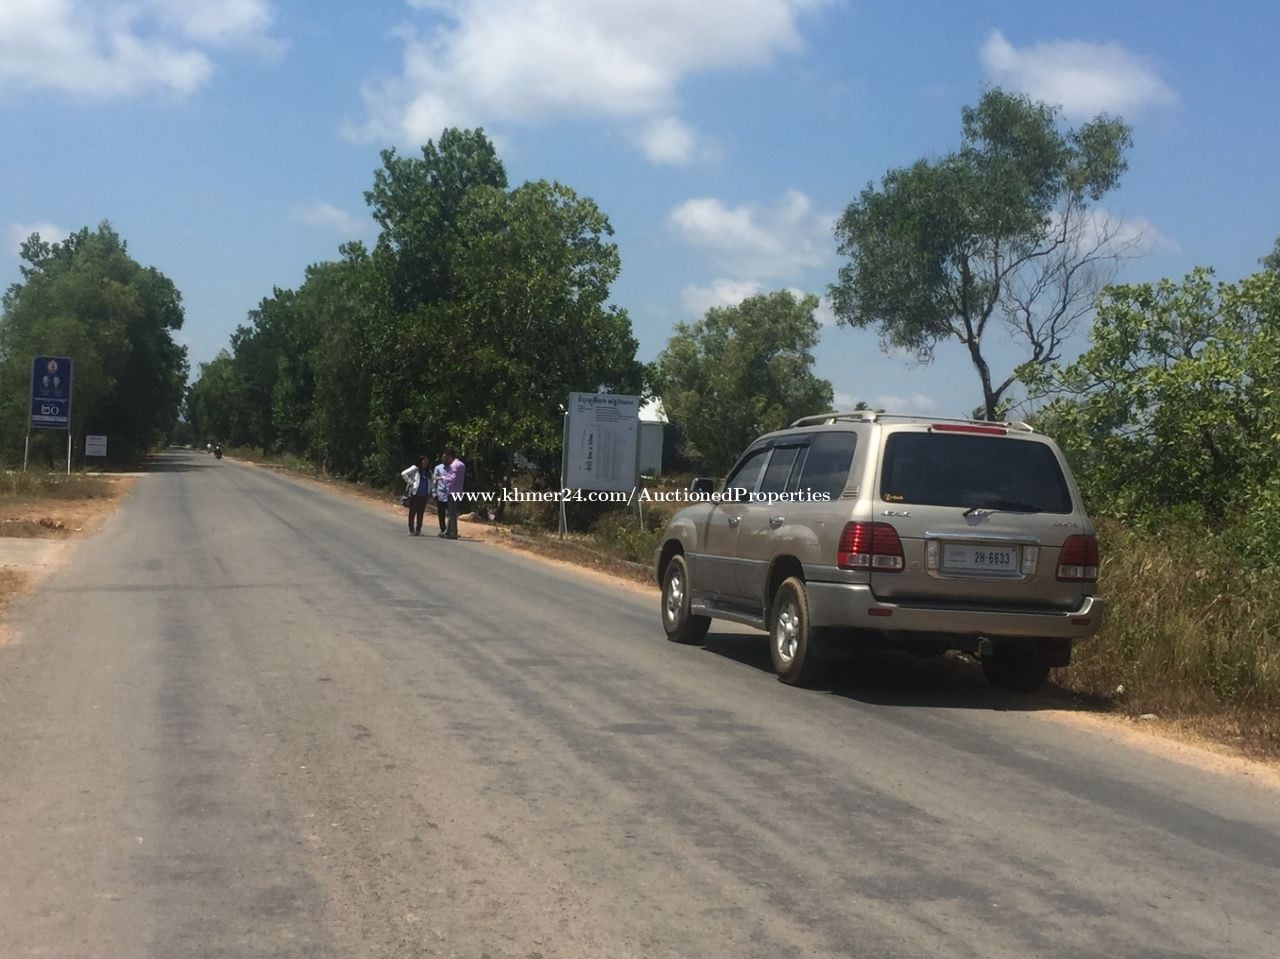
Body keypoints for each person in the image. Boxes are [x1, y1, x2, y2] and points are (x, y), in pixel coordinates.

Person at [402, 454, 430, 536]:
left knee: (420, 513)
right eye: (424, 461)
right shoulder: (415, 469)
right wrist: (410, 482)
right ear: (420, 461)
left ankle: (418, 530)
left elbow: (430, 481)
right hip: (415, 494)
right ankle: (411, 530)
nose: (426, 463)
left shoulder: (428, 471)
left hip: (424, 494)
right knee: (412, 512)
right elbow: (404, 473)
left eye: (427, 461)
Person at [441, 447, 466, 539]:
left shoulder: (454, 465)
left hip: (453, 492)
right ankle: (448, 532)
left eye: (447, 457)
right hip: (459, 491)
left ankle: (454, 533)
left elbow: (452, 478)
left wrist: (442, 478)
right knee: (452, 512)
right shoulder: (461, 464)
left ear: (450, 456)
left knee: (452, 514)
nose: (446, 460)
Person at [431, 452, 450, 536]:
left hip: (450, 494)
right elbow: (434, 480)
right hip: (441, 494)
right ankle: (443, 529)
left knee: (451, 514)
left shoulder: (453, 468)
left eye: (446, 457)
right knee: (441, 513)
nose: (444, 459)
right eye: (443, 457)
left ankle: (450, 529)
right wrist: (434, 492)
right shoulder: (438, 468)